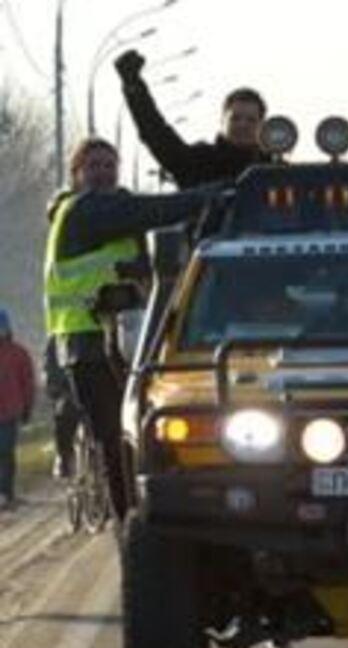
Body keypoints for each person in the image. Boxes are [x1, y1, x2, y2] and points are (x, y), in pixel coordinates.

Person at [46, 138, 221, 518]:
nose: (103, 172)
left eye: (109, 164)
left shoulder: (115, 214)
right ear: (76, 175)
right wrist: (211, 195)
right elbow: (154, 209)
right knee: (114, 437)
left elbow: (142, 264)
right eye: (93, 166)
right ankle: (128, 525)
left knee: (135, 432)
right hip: (88, 344)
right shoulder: (84, 211)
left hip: (123, 338)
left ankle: (144, 512)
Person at [116, 50, 270, 187]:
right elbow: (157, 134)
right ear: (223, 121)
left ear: (263, 125)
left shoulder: (275, 171)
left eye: (251, 120)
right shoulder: (199, 162)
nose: (242, 125)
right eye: (235, 118)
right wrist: (133, 86)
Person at [0, 310, 34, 510]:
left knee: (5, 453)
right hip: (11, 411)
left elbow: (27, 383)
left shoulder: (18, 353)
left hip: (9, 413)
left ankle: (6, 493)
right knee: (4, 454)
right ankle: (5, 493)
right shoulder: (19, 353)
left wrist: (27, 407)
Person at [42, 337, 80, 480]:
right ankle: (64, 457)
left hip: (97, 387)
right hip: (69, 392)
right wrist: (54, 387)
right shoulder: (56, 340)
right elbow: (49, 368)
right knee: (63, 413)